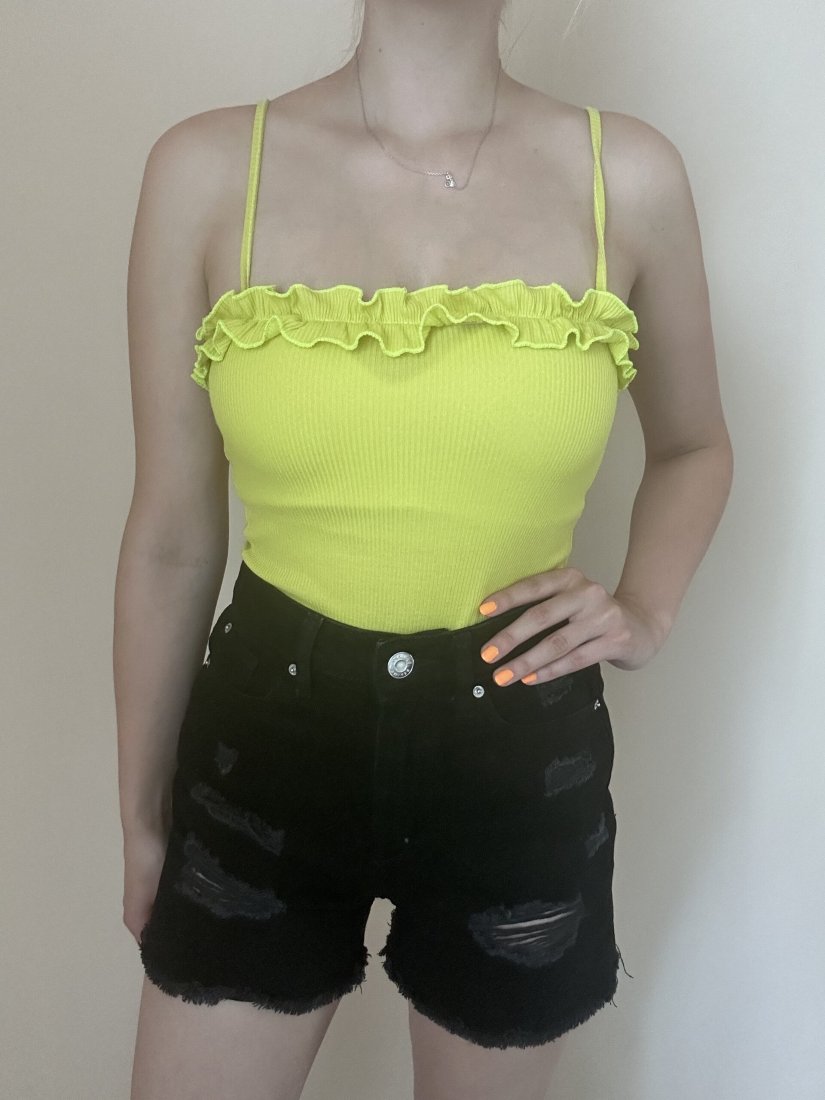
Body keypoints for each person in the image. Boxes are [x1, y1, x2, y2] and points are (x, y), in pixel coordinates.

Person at [116, 1, 733, 1096]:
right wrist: (140, 816)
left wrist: (647, 607)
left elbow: (694, 445)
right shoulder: (207, 171)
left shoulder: (626, 176)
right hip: (262, 743)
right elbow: (171, 536)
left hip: (520, 751)